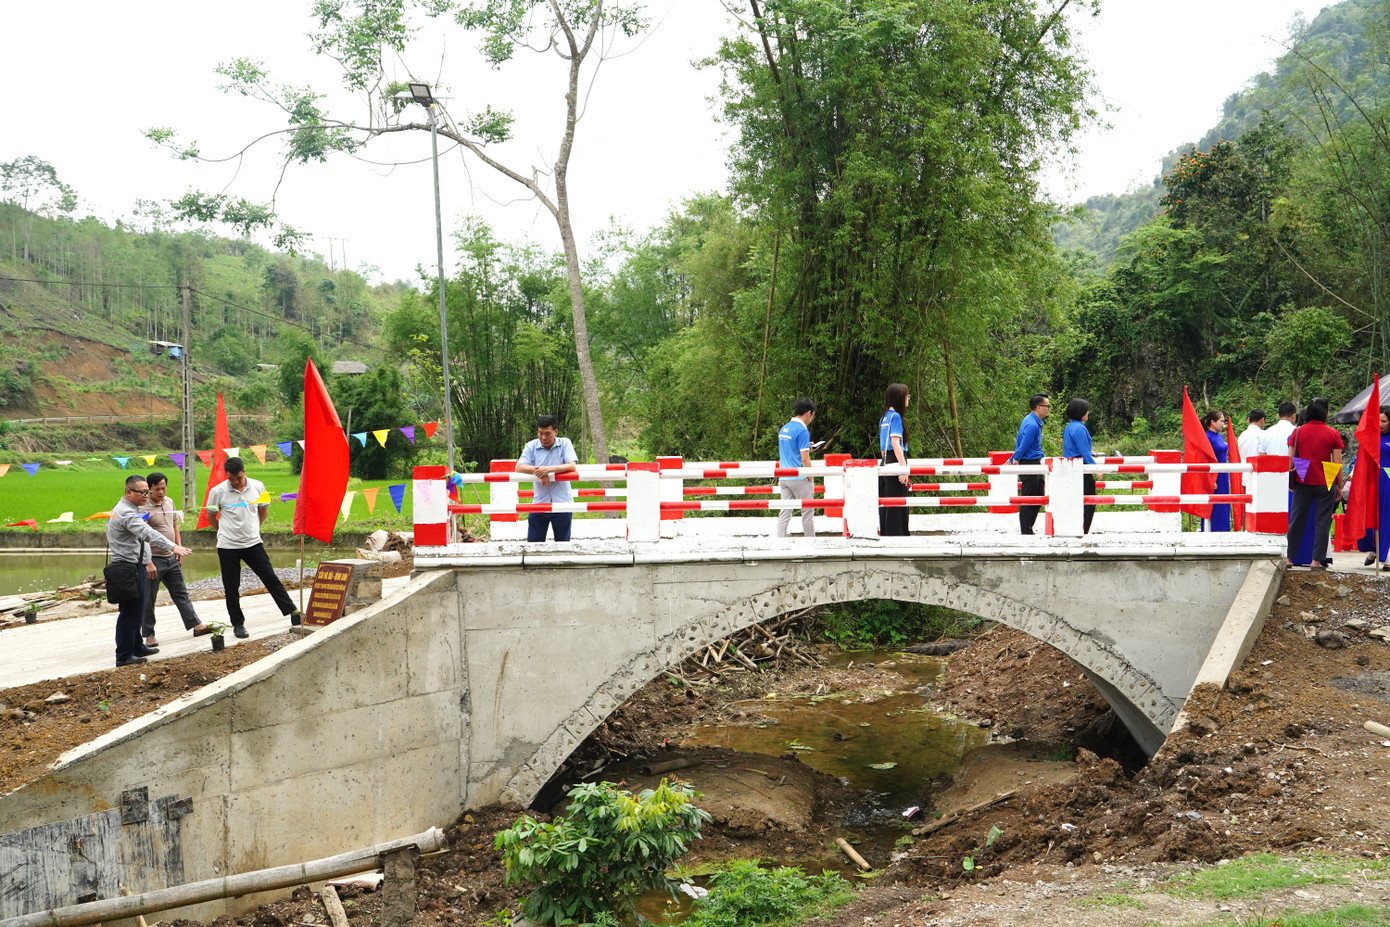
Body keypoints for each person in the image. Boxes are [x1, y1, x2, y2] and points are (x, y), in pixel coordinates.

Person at [207, 457, 301, 637]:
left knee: (270, 578)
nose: (235, 482)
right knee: (231, 587)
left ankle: (293, 612)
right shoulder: (217, 491)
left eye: (238, 478)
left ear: (244, 472)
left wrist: (254, 529)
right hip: (228, 546)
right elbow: (211, 516)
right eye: (231, 479)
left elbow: (263, 510)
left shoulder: (258, 486)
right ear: (226, 476)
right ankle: (238, 624)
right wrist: (223, 531)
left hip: (253, 543)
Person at [107, 475, 191, 667]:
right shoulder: (125, 513)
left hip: (136, 567)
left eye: (147, 492)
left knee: (138, 609)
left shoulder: (133, 510)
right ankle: (124, 655)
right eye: (142, 492)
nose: (147, 495)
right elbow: (148, 534)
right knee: (129, 612)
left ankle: (137, 646)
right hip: (128, 568)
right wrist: (173, 547)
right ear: (129, 492)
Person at [138, 472, 210, 646]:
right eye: (157, 489)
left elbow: (175, 525)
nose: (161, 492)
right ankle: (149, 635)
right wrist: (148, 562)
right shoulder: (143, 509)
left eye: (163, 488)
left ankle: (196, 624)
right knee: (149, 599)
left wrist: (178, 548)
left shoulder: (169, 502)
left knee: (181, 593)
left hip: (171, 557)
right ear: (149, 489)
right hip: (153, 560)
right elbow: (142, 538)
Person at [1286, 400, 1344, 570]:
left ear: (1306, 413)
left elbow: (1290, 461)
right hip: (1326, 480)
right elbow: (1337, 462)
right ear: (1326, 414)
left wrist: (1293, 475)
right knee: (1322, 521)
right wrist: (1339, 487)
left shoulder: (1298, 432)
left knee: (1297, 519)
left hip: (1303, 478)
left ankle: (1289, 558)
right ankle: (1316, 561)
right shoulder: (1333, 433)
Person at [516, 414, 579, 542]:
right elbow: (519, 467)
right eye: (540, 433)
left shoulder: (565, 443)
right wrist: (539, 471)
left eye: (548, 434)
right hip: (539, 502)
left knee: (563, 545)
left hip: (562, 502)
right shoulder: (531, 446)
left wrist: (549, 470)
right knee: (534, 545)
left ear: (556, 432)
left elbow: (572, 466)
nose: (543, 437)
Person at [776, 398, 817, 538]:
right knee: (807, 513)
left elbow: (790, 450)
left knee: (785, 512)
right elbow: (805, 459)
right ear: (808, 413)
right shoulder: (802, 431)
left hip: (784, 476)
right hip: (799, 477)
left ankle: (780, 541)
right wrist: (810, 477)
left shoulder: (784, 428)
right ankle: (811, 543)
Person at [1355, 406, 1390, 566]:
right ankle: (1374, 549)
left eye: (1384, 421)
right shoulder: (1372, 436)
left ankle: (1386, 555)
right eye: (1378, 421)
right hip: (1372, 480)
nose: (1381, 424)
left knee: (1386, 515)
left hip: (1388, 480)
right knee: (1369, 514)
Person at [1011, 394, 1050, 534]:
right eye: (1047, 406)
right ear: (1039, 407)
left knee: (1038, 493)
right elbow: (1023, 445)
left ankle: (1028, 527)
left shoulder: (1032, 421)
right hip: (1029, 462)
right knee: (1029, 496)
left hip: (1033, 461)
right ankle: (1026, 529)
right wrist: (1013, 458)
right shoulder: (1032, 424)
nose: (1049, 409)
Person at [878, 383, 911, 537]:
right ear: (899, 398)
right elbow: (895, 443)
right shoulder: (896, 417)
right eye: (906, 395)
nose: (908, 397)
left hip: (885, 461)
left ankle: (886, 535)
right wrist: (904, 469)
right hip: (896, 461)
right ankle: (898, 537)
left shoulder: (884, 417)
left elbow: (883, 448)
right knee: (898, 504)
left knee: (886, 505)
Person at [1061, 398, 1097, 534]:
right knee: (1089, 500)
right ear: (1081, 412)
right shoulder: (1080, 428)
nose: (1088, 413)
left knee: (1073, 500)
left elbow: (1075, 448)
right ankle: (1084, 529)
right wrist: (1096, 469)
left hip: (1070, 466)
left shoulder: (1069, 426)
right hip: (1080, 467)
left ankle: (1074, 527)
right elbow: (1084, 453)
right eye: (1086, 410)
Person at [1200, 410, 1231, 533]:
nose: (1223, 424)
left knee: (1224, 505)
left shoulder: (1220, 436)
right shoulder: (1207, 437)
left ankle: (1224, 532)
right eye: (1221, 421)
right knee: (1215, 506)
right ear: (1212, 422)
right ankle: (1212, 532)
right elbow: (1204, 459)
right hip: (1214, 476)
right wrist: (1209, 479)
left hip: (1223, 474)